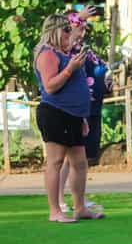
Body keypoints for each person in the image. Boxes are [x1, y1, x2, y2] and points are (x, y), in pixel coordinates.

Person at [34, 14, 104, 223]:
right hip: (56, 113)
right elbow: (50, 86)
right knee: (55, 161)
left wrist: (82, 117)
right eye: (66, 30)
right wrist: (70, 69)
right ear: (54, 31)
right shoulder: (47, 54)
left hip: (74, 116)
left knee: (80, 163)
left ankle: (80, 207)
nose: (69, 34)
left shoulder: (64, 53)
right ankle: (55, 211)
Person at [58, 7, 109, 213]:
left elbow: (95, 73)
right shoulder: (65, 47)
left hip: (93, 106)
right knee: (67, 156)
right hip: (77, 107)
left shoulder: (83, 48)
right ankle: (60, 199)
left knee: (81, 156)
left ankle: (79, 197)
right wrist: (77, 18)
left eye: (85, 26)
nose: (83, 30)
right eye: (80, 25)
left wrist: (106, 82)